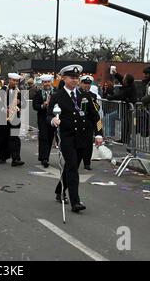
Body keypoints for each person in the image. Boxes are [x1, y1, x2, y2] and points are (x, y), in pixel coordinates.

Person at [47, 65, 100, 213]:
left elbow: (96, 116)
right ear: (63, 78)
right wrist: (53, 120)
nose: (75, 80)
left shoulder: (85, 95)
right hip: (67, 137)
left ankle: (59, 189)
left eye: (77, 78)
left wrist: (99, 133)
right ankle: (75, 202)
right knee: (71, 166)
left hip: (82, 138)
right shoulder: (58, 96)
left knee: (73, 167)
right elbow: (49, 114)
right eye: (72, 77)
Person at [0, 73, 25, 167]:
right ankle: (3, 157)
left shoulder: (19, 91)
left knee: (15, 137)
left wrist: (19, 102)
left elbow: (23, 105)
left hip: (15, 117)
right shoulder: (3, 90)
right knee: (3, 137)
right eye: (13, 80)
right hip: (3, 117)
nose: (15, 82)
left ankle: (16, 158)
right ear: (9, 80)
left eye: (17, 81)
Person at [79, 75, 103, 170]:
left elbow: (96, 114)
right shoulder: (76, 94)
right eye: (85, 83)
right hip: (78, 122)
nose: (87, 85)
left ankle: (87, 163)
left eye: (89, 84)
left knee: (88, 144)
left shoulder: (93, 96)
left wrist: (99, 133)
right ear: (81, 83)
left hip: (89, 122)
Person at [32, 74, 55, 168]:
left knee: (50, 138)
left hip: (53, 118)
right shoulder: (38, 93)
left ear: (51, 82)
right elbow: (35, 106)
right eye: (45, 82)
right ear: (42, 83)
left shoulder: (56, 92)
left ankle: (45, 157)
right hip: (42, 118)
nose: (47, 84)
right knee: (43, 137)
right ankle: (44, 158)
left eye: (48, 82)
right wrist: (43, 105)